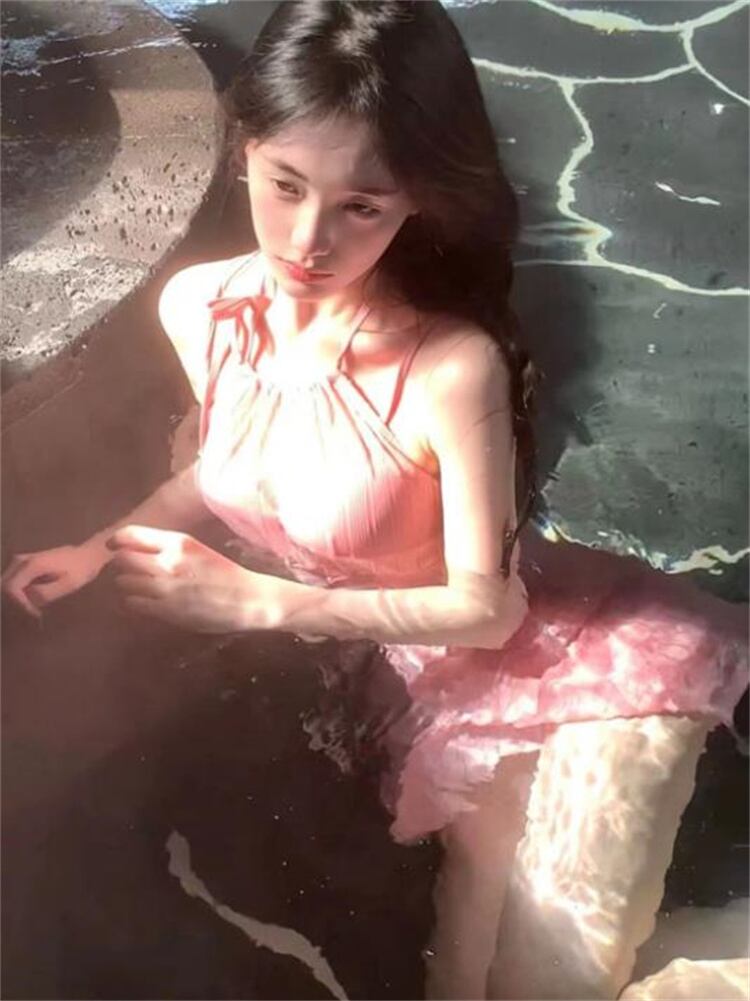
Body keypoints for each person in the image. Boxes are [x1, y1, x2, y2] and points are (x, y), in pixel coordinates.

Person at [3, 2, 747, 998]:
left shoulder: (449, 366)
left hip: (582, 679)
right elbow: (226, 465)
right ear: (242, 145)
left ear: (418, 206)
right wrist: (100, 545)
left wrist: (262, 602)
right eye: (285, 184)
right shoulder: (201, 308)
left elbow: (489, 609)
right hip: (408, 677)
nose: (308, 240)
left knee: (544, 988)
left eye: (363, 206)